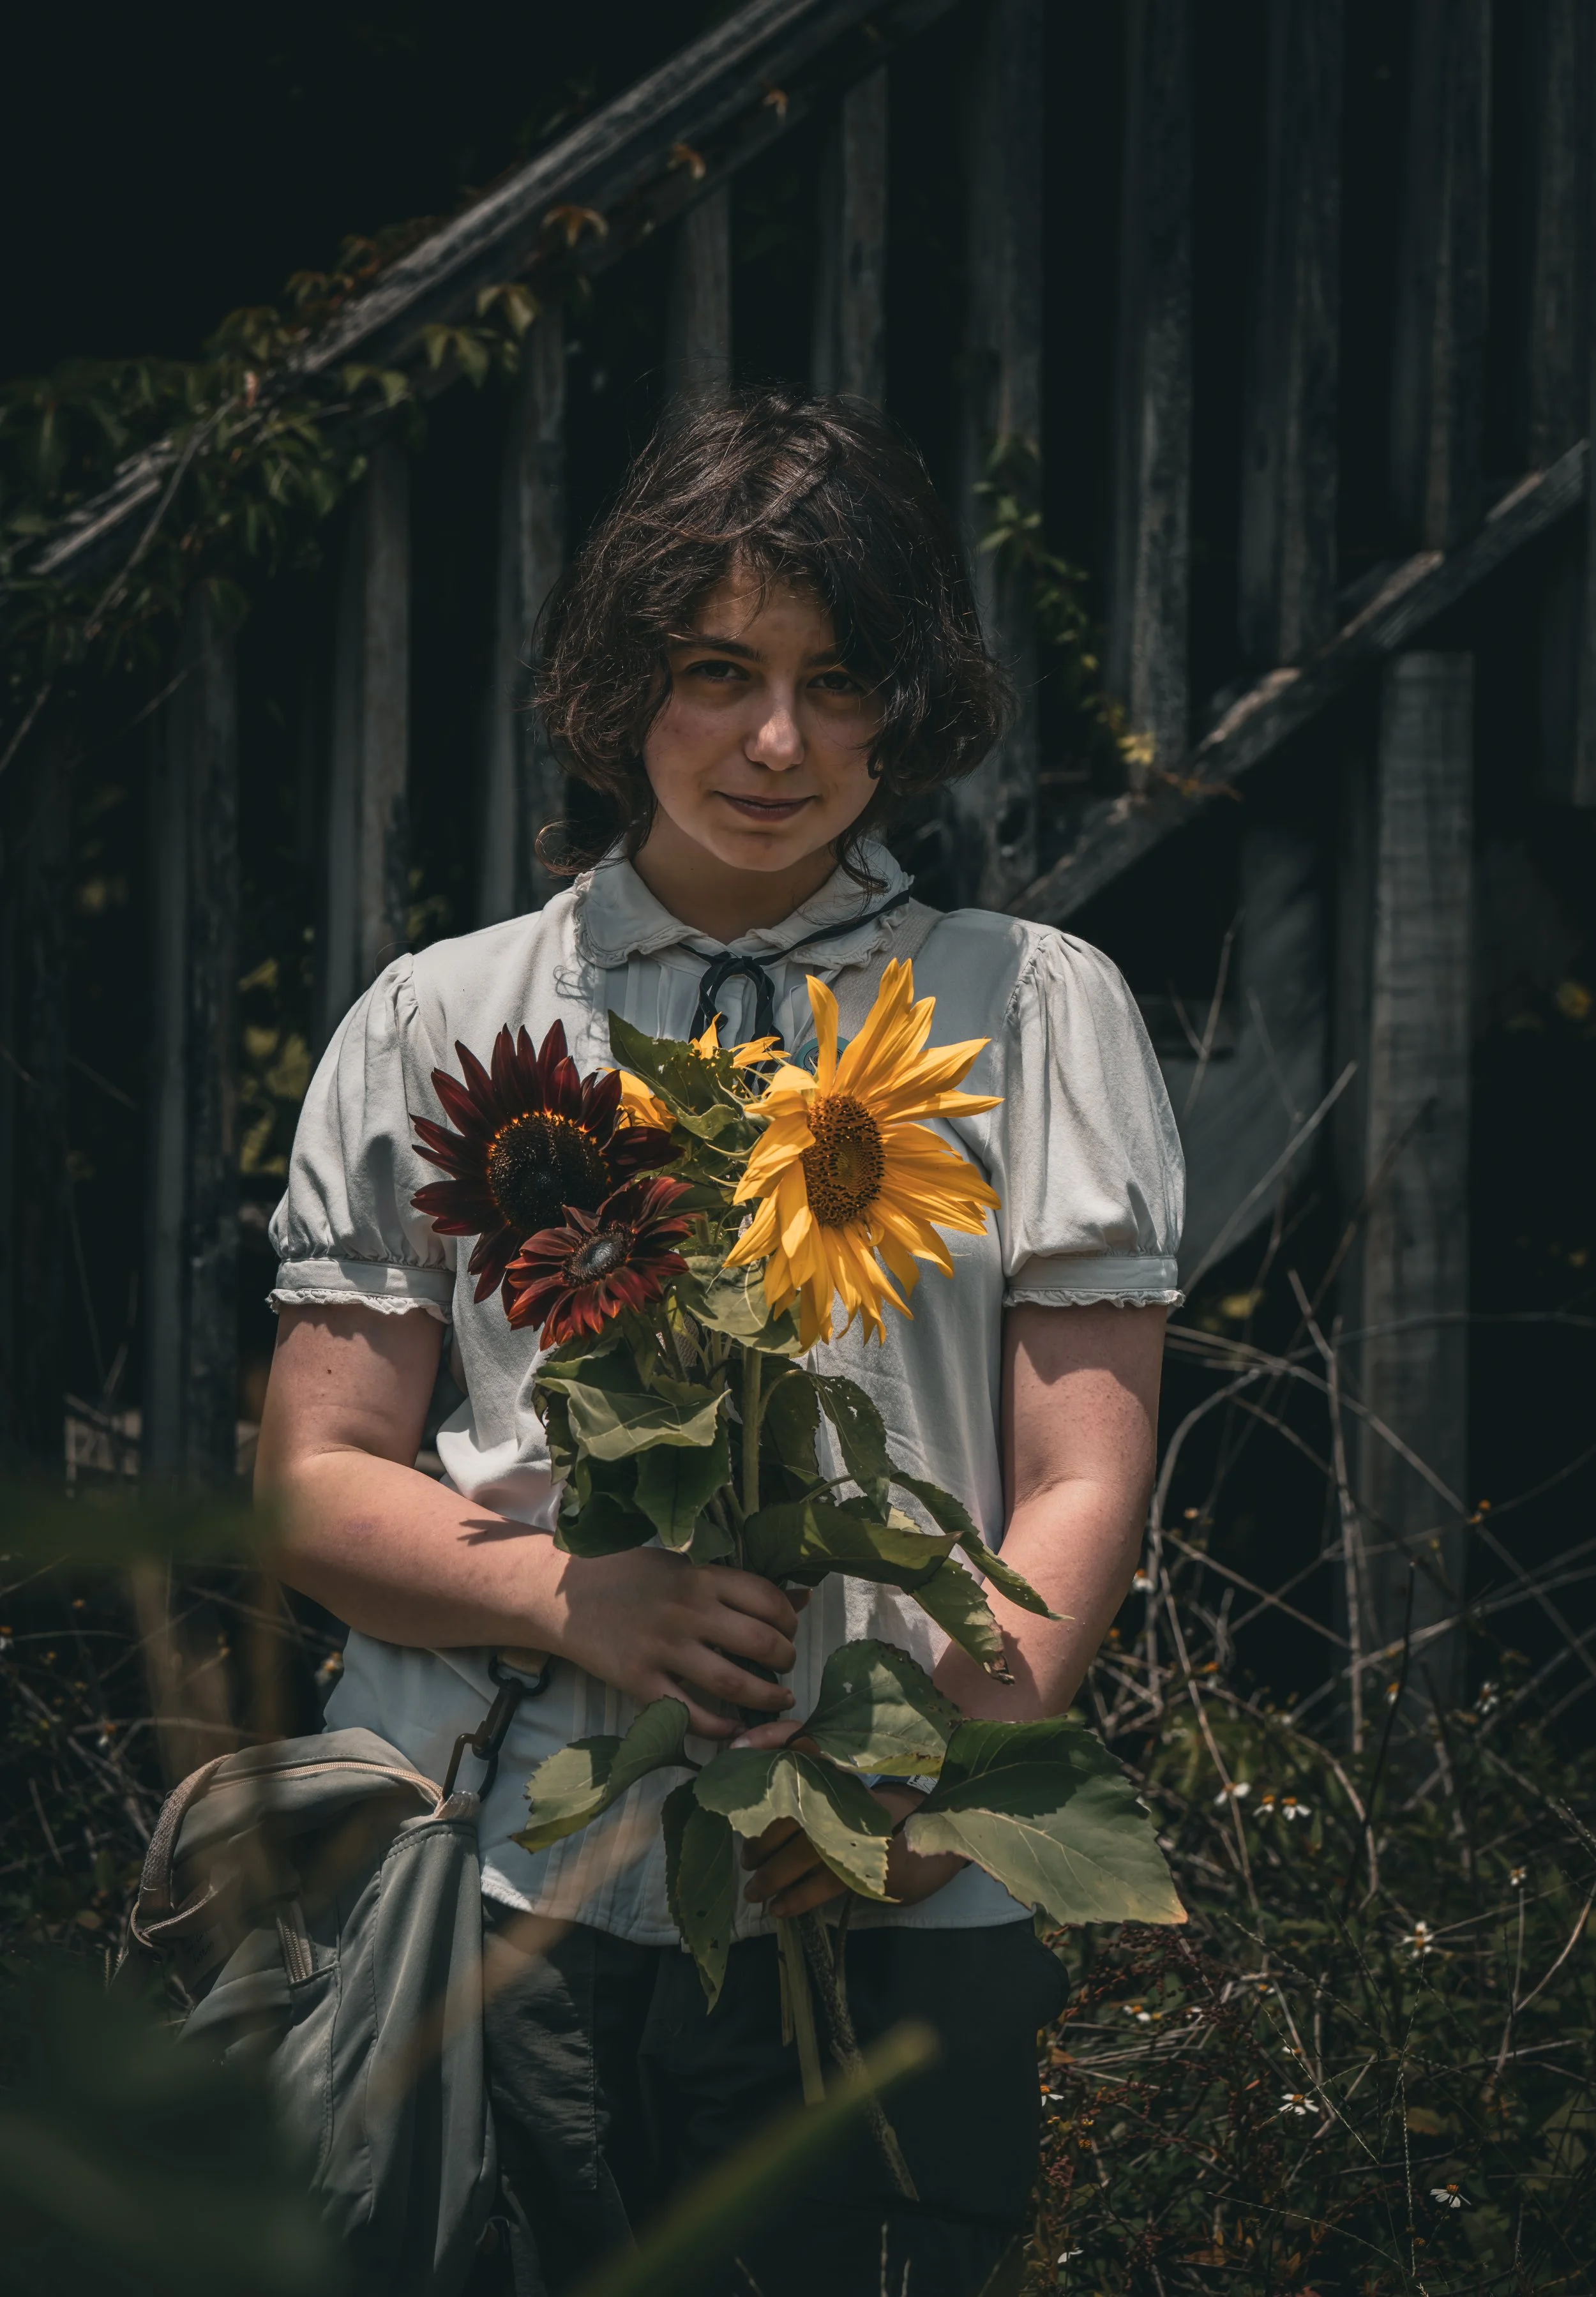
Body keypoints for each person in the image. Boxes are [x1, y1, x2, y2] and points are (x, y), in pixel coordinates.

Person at [255, 389, 1184, 2297]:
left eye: (837, 683)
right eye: (713, 669)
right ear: (617, 681)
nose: (776, 742)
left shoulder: (1025, 1010)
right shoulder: (451, 1017)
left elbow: (1081, 1467)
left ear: (903, 706)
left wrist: (942, 1777)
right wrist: (572, 1596)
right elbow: (311, 1480)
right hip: (519, 1867)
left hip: (888, 1891)